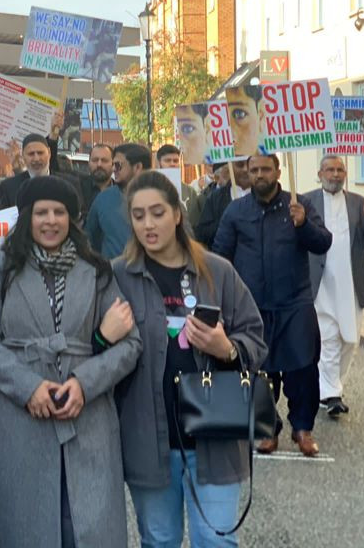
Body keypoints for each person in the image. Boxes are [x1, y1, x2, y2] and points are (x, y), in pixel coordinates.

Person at [0, 176, 142, 547]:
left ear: (72, 218)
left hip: (88, 416)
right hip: (18, 417)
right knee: (23, 526)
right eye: (41, 212)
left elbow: (130, 345)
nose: (50, 221)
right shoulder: (2, 266)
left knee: (86, 526)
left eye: (59, 212)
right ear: (27, 217)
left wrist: (85, 382)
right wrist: (28, 387)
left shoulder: (96, 269)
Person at [114, 170, 267, 546]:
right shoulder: (118, 276)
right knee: (159, 540)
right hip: (149, 440)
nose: (148, 225)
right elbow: (96, 351)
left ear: (177, 215)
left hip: (215, 437)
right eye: (138, 215)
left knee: (216, 541)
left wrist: (226, 349)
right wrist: (105, 335)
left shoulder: (217, 271)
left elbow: (256, 340)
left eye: (157, 213)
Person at [212, 154, 332, 457]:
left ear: (278, 171)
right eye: (254, 170)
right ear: (247, 173)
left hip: (295, 303)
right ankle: (268, 429)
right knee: (257, 371)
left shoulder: (299, 204)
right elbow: (220, 255)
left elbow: (322, 243)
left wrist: (303, 224)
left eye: (266, 169)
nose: (260, 174)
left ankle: (302, 428)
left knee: (303, 367)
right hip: (252, 307)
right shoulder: (236, 210)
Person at [303, 155, 364, 417]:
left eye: (340, 170)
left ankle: (332, 386)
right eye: (330, 169)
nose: (335, 174)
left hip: (351, 283)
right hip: (320, 283)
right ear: (320, 172)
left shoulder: (359, 203)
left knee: (350, 340)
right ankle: (332, 394)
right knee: (328, 339)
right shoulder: (305, 201)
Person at [86, 142, 151, 259]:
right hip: (112, 274)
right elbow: (89, 239)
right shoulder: (103, 199)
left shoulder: (165, 199)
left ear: (137, 167)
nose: (114, 169)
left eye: (118, 165)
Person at [194, 160, 251, 248]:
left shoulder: (263, 194)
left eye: (249, 165)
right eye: (240, 165)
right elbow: (202, 235)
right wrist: (226, 221)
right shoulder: (215, 197)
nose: (245, 169)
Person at [0, 133, 52, 209]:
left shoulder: (67, 183)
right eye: (31, 154)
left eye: (40, 153)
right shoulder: (8, 187)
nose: (36, 159)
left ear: (49, 153)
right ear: (23, 156)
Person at [80, 143, 113, 218]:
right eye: (95, 160)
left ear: (113, 163)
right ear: (89, 162)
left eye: (104, 160)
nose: (99, 164)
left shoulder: (122, 192)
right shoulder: (77, 188)